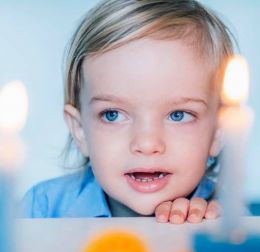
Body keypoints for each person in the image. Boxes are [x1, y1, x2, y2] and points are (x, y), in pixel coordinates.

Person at [20, 0, 235, 223]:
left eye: (178, 115)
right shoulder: (42, 210)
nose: (147, 144)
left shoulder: (223, 217)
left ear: (218, 131)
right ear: (80, 129)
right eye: (112, 114)